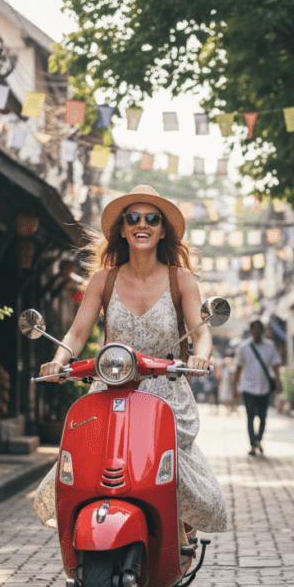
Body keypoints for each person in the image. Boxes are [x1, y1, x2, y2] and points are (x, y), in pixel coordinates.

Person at [38, 185, 228, 567]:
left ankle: (177, 525)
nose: (143, 225)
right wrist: (58, 360)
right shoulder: (103, 281)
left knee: (166, 464)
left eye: (152, 219)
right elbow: (77, 333)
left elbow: (201, 333)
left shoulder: (181, 280)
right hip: (111, 386)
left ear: (162, 230)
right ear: (123, 230)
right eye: (134, 218)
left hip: (166, 389)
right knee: (86, 457)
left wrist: (202, 356)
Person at [234, 317, 282, 456]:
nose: (256, 331)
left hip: (264, 387)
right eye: (254, 328)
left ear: (262, 330)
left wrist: (278, 381)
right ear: (250, 330)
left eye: (259, 328)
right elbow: (238, 369)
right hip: (248, 387)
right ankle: (252, 444)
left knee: (262, 417)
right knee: (250, 417)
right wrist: (234, 388)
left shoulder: (270, 346)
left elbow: (276, 365)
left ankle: (258, 440)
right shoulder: (243, 347)